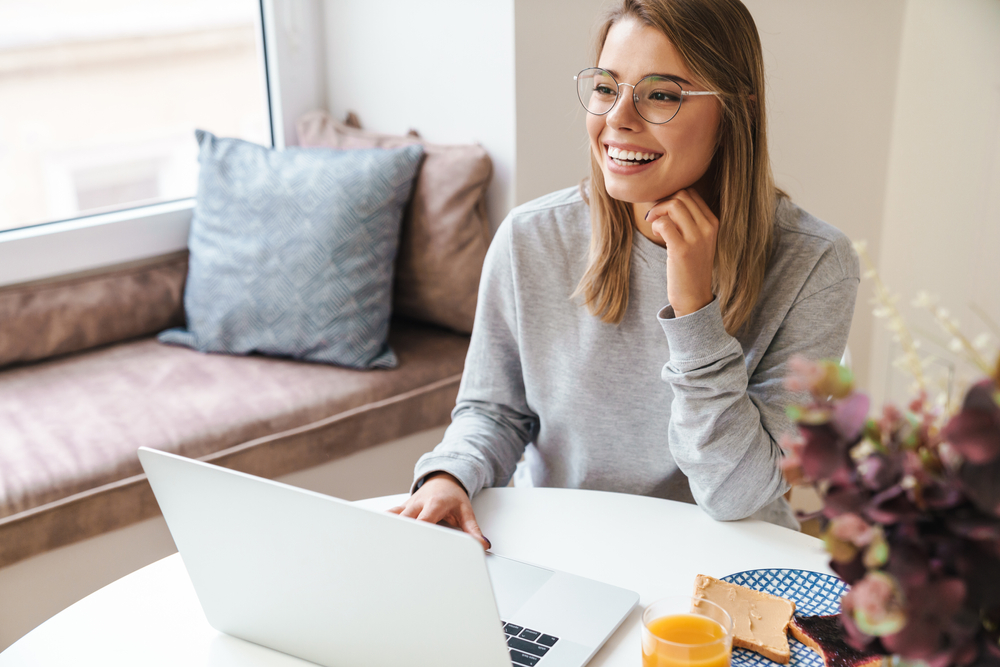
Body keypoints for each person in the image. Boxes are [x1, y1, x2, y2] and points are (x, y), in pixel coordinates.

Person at [389, 0, 859, 547]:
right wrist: (450, 474)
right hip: (563, 547)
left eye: (661, 94)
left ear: (737, 111)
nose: (618, 119)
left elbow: (738, 494)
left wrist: (694, 314)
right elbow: (495, 411)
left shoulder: (816, 264)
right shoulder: (531, 237)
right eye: (608, 88)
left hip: (726, 562)